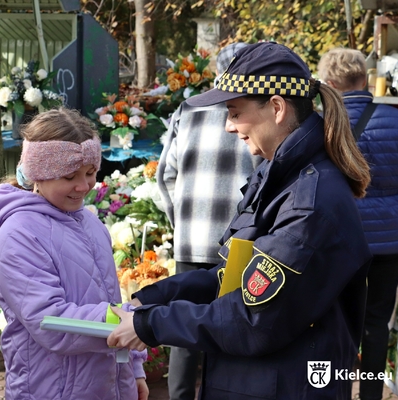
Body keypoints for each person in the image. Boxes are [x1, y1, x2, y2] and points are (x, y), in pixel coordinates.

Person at [107, 42, 373, 399]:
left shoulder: (309, 203)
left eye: (234, 111)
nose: (229, 127)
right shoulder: (279, 177)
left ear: (277, 108)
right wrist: (154, 297)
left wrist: (149, 325)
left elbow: (253, 318)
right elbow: (236, 277)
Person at [0, 107, 148, 400]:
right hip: (52, 389)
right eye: (69, 177)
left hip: (107, 384)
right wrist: (130, 322)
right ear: (38, 174)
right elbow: (51, 321)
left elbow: (109, 297)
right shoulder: (19, 235)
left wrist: (134, 369)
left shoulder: (89, 221)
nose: (83, 186)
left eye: (90, 173)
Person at [157, 41, 261, 400]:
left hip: (191, 235)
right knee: (229, 324)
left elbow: (165, 175)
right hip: (240, 243)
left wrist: (181, 220)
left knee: (182, 331)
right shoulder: (257, 110)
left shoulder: (189, 108)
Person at [317, 48, 398, 400]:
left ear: (331, 82)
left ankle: (334, 390)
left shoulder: (322, 123)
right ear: (363, 78)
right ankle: (370, 394)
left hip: (340, 238)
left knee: (337, 316)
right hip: (392, 241)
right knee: (376, 321)